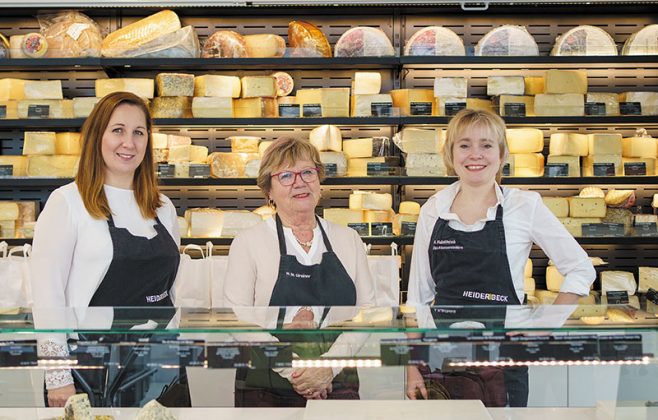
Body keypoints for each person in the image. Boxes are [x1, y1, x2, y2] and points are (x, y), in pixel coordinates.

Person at [405, 109, 595, 406]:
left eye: (486, 145)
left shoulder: (524, 205)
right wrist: (412, 366)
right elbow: (418, 297)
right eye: (464, 145)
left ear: (502, 153)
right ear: (451, 153)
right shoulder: (433, 208)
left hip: (505, 358)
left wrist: (541, 328)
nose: (475, 154)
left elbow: (582, 269)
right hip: (443, 358)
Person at [30, 92, 181, 407]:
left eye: (138, 132)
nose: (129, 142)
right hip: (90, 370)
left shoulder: (162, 207)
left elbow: (172, 292)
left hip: (158, 365)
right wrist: (58, 377)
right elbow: (47, 299)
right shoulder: (68, 202)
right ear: (97, 137)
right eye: (118, 130)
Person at [224, 136, 376, 407]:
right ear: (268, 190)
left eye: (308, 172)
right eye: (286, 175)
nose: (300, 182)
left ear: (319, 181)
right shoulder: (248, 242)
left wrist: (329, 366)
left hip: (336, 383)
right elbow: (239, 321)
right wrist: (295, 372)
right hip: (266, 385)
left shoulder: (348, 239)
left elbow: (369, 312)